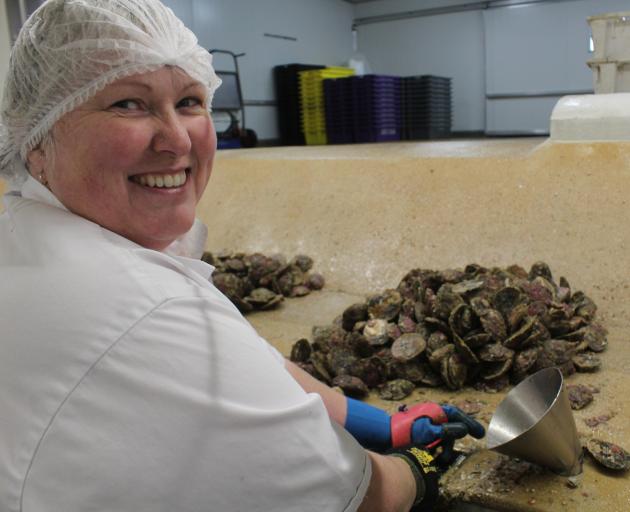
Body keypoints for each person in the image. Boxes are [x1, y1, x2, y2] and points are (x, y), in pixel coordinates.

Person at [0, 1, 484, 511]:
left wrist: (378, 423)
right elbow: (355, 495)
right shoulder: (148, 310)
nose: (177, 138)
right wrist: (418, 469)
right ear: (37, 140)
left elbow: (242, 361)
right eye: (128, 104)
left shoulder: (28, 233)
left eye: (189, 100)